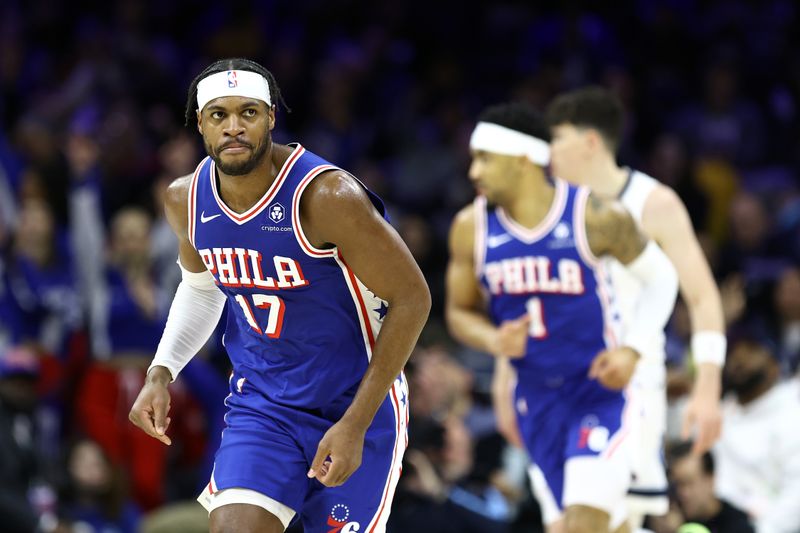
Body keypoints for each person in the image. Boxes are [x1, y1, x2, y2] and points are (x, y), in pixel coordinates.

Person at [128, 58, 430, 533]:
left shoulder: (327, 197)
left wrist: (355, 423)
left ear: (271, 117)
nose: (234, 127)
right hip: (264, 404)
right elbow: (202, 289)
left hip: (354, 401)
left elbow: (413, 298)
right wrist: (161, 371)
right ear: (200, 126)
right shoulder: (185, 199)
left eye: (248, 113)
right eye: (219, 115)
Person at [494, 86, 725, 527]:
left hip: (628, 390)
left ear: (590, 142)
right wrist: (508, 379)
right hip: (554, 389)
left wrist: (708, 383)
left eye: (556, 139)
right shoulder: (547, 209)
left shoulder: (653, 203)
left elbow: (702, 296)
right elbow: (525, 305)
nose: (547, 152)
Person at [446, 102, 679, 533]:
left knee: (583, 525)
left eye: (484, 159)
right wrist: (494, 340)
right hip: (535, 400)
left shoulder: (595, 216)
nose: (473, 172)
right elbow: (458, 312)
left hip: (600, 391)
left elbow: (663, 279)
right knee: (593, 527)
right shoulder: (470, 228)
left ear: (523, 160)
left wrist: (632, 349)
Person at [714, 327, 800, 533]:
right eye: (736, 351)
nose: (740, 359)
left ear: (774, 367)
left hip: (759, 525)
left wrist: (763, 529)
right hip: (711, 519)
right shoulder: (724, 409)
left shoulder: (790, 415)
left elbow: (796, 493)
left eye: (752, 351)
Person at [667, 441, 754, 533]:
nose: (683, 492)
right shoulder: (665, 517)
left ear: (710, 479)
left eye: (689, 482)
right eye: (677, 484)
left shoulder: (738, 526)